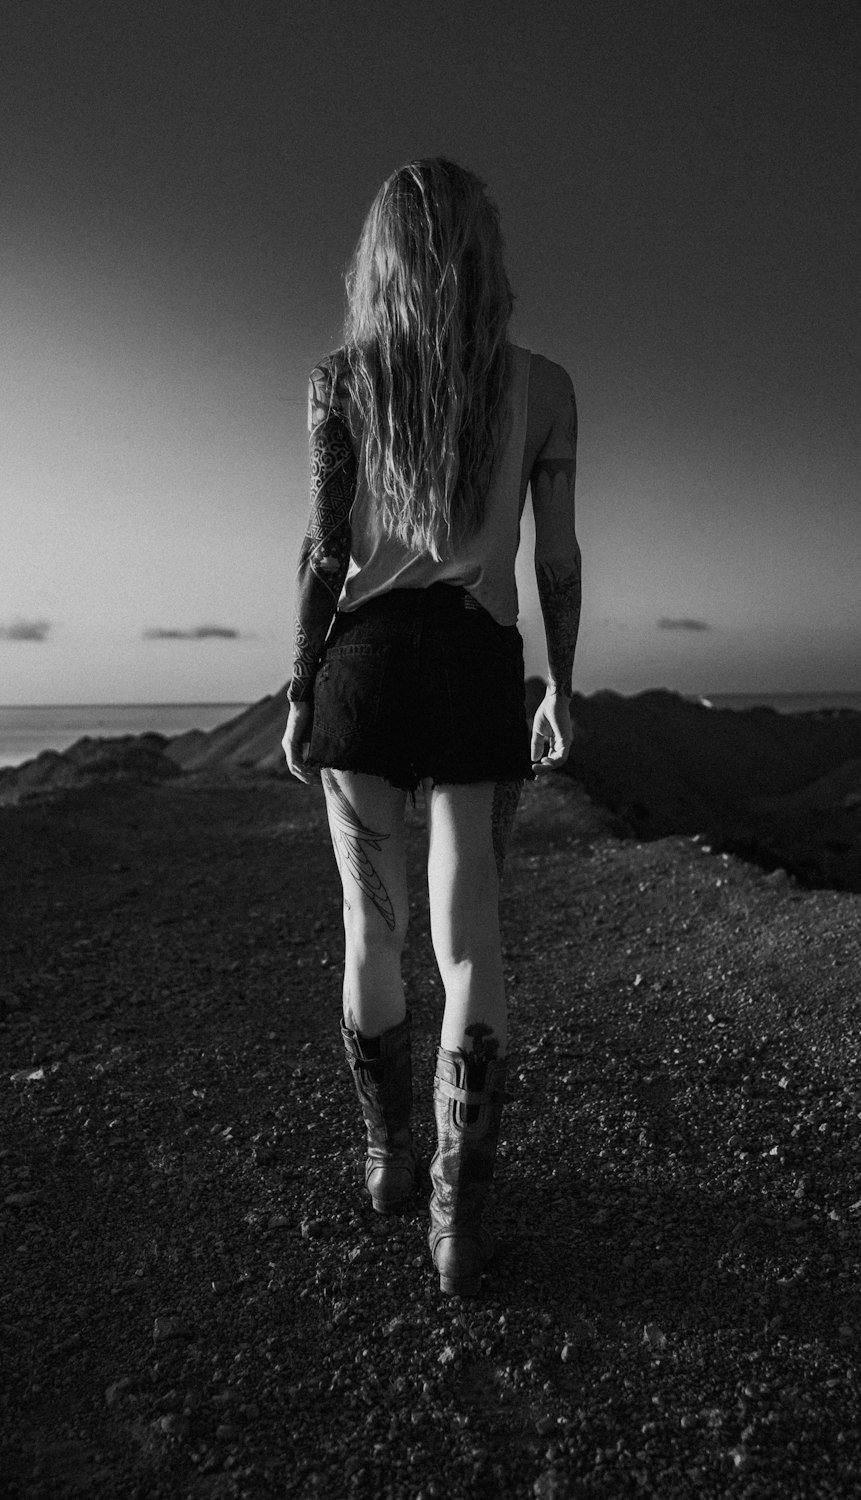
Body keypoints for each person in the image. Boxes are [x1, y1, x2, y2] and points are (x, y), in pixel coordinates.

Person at [281, 158, 580, 1297]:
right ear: (484, 256)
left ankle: (387, 1159)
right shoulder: (544, 387)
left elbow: (322, 554)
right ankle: (454, 1224)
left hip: (361, 665)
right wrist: (565, 683)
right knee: (470, 945)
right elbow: (553, 557)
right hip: (471, 666)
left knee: (372, 931)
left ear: (379, 263)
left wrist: (303, 690)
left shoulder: (340, 383)